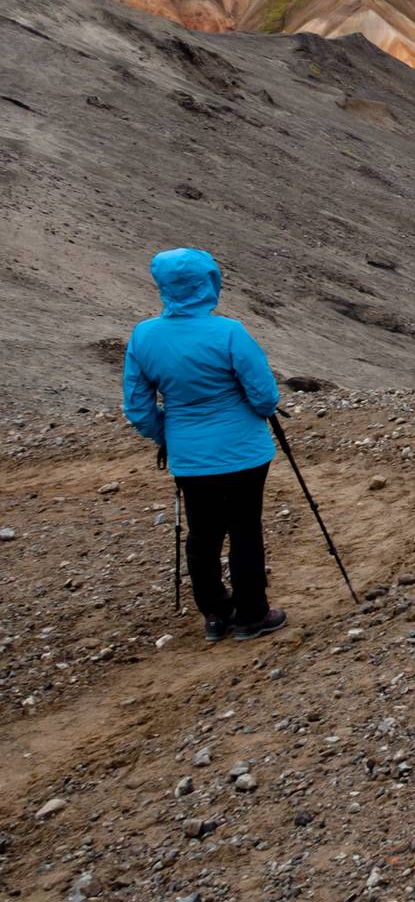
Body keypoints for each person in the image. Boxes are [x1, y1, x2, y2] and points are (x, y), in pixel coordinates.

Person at [123, 249, 288, 642]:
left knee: (202, 534)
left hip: (189, 456)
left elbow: (138, 408)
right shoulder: (229, 332)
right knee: (245, 529)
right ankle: (252, 614)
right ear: (209, 282)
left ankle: (214, 613)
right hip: (244, 452)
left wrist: (169, 433)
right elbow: (264, 397)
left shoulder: (143, 336)